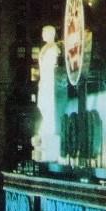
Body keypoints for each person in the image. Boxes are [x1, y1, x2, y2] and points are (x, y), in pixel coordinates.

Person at [34, 25, 61, 161]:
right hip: (44, 81)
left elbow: (52, 68)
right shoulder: (45, 48)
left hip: (50, 82)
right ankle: (46, 127)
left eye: (44, 32)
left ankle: (49, 128)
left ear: (51, 33)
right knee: (42, 105)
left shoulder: (54, 48)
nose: (42, 34)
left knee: (48, 106)